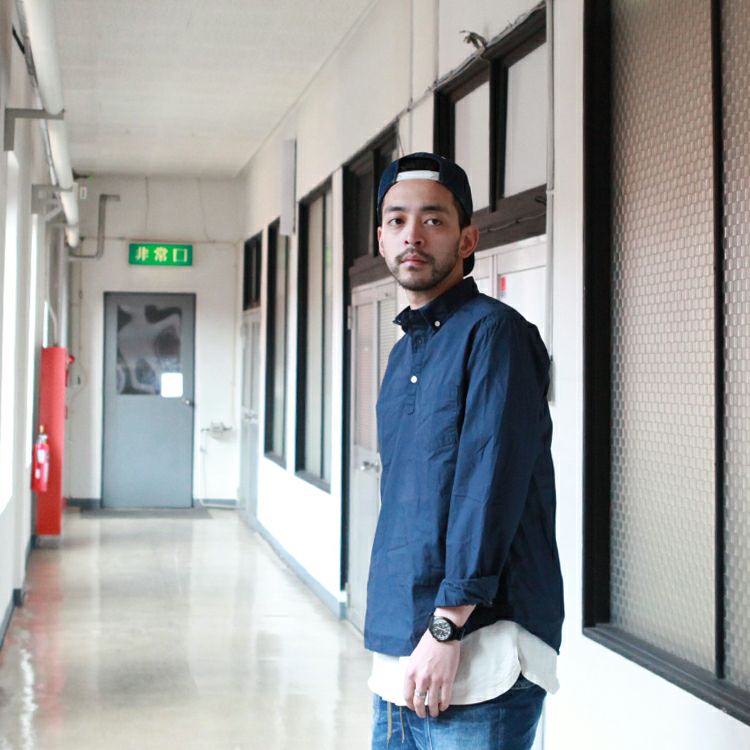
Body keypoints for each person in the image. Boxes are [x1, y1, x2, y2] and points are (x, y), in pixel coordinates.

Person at [364, 152, 564, 749]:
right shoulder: (402, 355)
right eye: (397, 220)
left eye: (434, 220)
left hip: (479, 654)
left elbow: (489, 488)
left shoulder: (495, 334)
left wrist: (446, 628)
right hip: (400, 653)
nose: (413, 235)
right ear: (381, 238)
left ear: (467, 239)